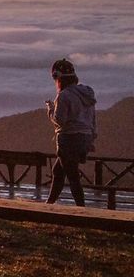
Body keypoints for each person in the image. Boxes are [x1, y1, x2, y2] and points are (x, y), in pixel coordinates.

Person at [44, 58, 98, 207]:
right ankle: (49, 204)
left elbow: (60, 120)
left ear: (58, 78)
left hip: (69, 139)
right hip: (85, 138)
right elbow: (92, 118)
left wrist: (50, 109)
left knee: (72, 175)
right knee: (58, 171)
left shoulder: (64, 95)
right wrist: (92, 138)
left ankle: (81, 209)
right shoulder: (87, 94)